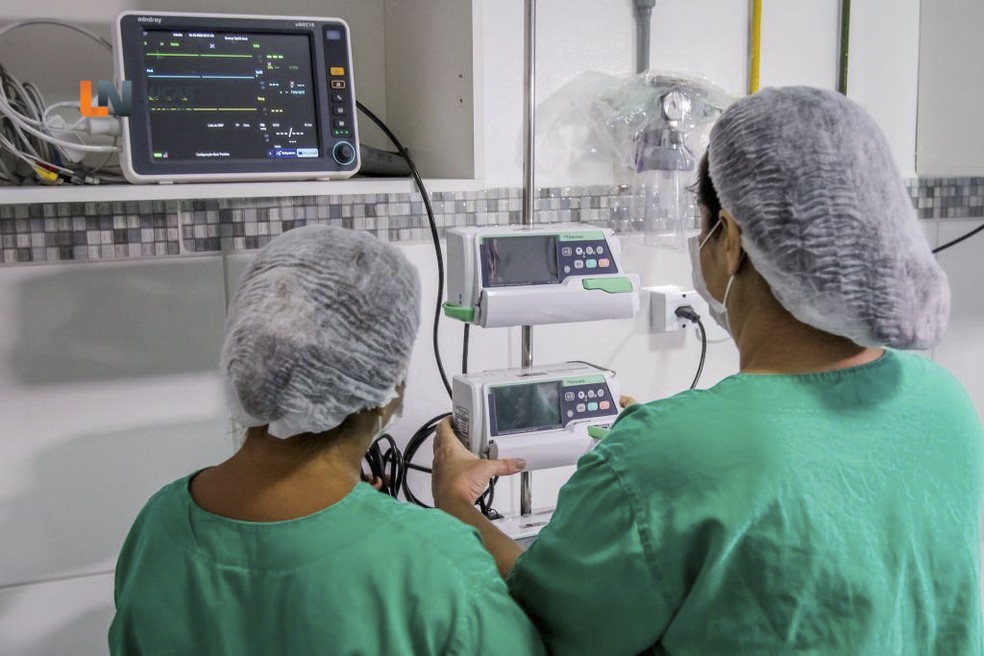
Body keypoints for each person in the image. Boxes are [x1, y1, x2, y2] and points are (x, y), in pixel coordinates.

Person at [431, 87, 983, 655]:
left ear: (731, 240)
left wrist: (456, 502)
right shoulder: (944, 403)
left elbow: (545, 619)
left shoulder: (664, 455)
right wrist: (674, 446)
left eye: (703, 225)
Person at [109, 225, 545, 655]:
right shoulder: (436, 563)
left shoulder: (158, 525)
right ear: (388, 385)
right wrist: (456, 506)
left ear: (246, 357)